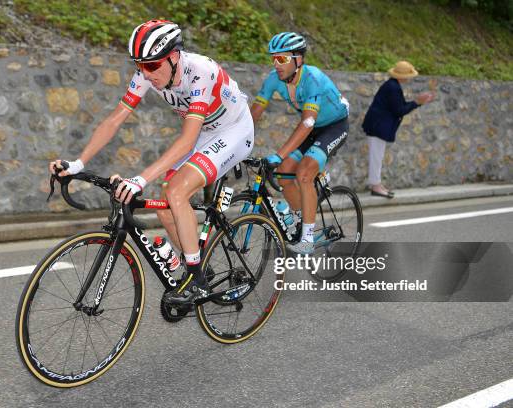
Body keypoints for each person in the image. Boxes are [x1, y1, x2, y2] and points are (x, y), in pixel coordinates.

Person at [49, 20, 254, 305]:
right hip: (204, 132)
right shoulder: (148, 73)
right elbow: (114, 120)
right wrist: (78, 163)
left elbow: (185, 140)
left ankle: (197, 281)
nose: (146, 73)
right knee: (165, 203)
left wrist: (140, 178)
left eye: (153, 66)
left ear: (173, 57)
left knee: (177, 191)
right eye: (139, 66)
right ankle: (198, 267)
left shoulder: (200, 72)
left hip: (233, 130)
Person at [251, 32, 350, 255]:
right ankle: (300, 215)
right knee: (283, 173)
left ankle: (307, 240)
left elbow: (307, 122)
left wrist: (279, 153)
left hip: (334, 126)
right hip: (313, 129)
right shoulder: (273, 79)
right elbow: (255, 112)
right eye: (274, 58)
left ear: (298, 59)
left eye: (282, 59)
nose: (276, 64)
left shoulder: (312, 78)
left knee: (303, 173)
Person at [362, 60, 435, 198]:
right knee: (376, 156)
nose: (410, 78)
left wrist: (417, 102)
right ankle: (376, 186)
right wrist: (417, 102)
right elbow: (399, 110)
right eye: (409, 75)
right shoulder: (393, 87)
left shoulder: (393, 85)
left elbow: (398, 107)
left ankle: (377, 184)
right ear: (402, 76)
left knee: (377, 156)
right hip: (377, 126)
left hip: (377, 125)